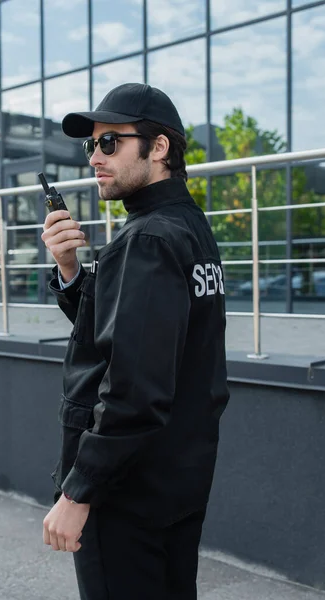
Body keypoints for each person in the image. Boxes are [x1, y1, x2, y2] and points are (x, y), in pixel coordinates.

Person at [41, 83, 229, 600]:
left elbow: (134, 388)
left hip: (127, 492)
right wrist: (69, 269)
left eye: (110, 144)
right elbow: (137, 338)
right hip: (178, 475)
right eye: (91, 147)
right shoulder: (188, 227)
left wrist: (79, 492)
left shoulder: (146, 238)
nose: (95, 160)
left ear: (159, 147)